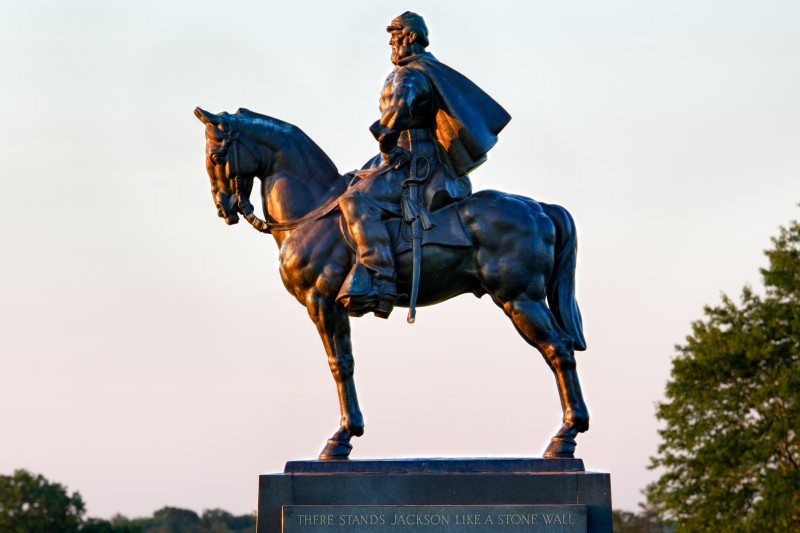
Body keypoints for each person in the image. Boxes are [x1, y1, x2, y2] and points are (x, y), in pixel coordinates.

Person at [336, 11, 511, 318]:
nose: (391, 42)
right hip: (404, 156)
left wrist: (386, 134)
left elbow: (399, 109)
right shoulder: (418, 70)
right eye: (391, 36)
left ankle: (381, 278)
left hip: (415, 159)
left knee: (355, 200)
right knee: (352, 182)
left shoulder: (410, 74)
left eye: (396, 35)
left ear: (411, 37)